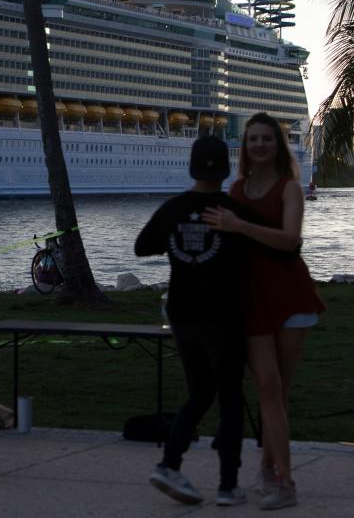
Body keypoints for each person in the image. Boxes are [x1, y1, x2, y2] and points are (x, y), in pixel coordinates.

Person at [202, 112, 326, 511]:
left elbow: (290, 241)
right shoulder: (237, 189)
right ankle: (272, 473)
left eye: (265, 139)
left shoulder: (289, 189)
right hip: (251, 299)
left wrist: (240, 227)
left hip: (290, 295)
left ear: (277, 145)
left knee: (278, 392)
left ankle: (279, 479)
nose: (258, 145)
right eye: (252, 139)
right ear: (246, 147)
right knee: (268, 389)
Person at [135, 135, 251, 508]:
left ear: (191, 167)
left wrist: (176, 240)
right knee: (230, 397)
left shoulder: (174, 208)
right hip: (224, 317)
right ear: (227, 168)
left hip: (184, 317)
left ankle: (170, 464)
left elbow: (142, 246)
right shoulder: (233, 212)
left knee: (199, 395)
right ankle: (228, 486)